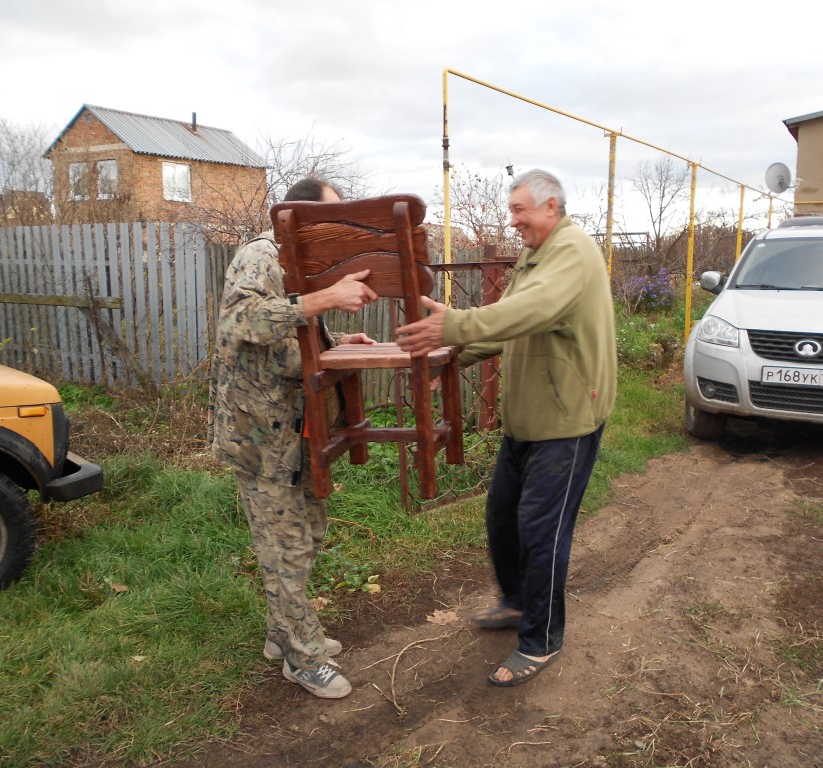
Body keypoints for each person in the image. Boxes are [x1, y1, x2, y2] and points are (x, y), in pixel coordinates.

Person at [395, 168, 616, 687]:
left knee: (542, 532)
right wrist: (455, 355)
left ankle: (541, 641)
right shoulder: (535, 255)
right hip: (526, 420)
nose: (512, 220)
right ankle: (517, 603)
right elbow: (510, 325)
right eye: (511, 210)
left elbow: (530, 311)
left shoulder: (573, 251)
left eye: (519, 210)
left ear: (551, 207)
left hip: (566, 420)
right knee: (502, 517)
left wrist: (454, 325)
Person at [209, 178, 377, 699]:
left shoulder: (300, 263)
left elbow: (287, 338)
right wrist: (326, 298)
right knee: (287, 548)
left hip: (299, 434)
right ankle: (303, 659)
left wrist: (335, 339)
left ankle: (281, 635)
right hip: (260, 439)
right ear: (299, 216)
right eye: (330, 219)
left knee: (309, 534)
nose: (337, 230)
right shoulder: (261, 255)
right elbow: (238, 323)